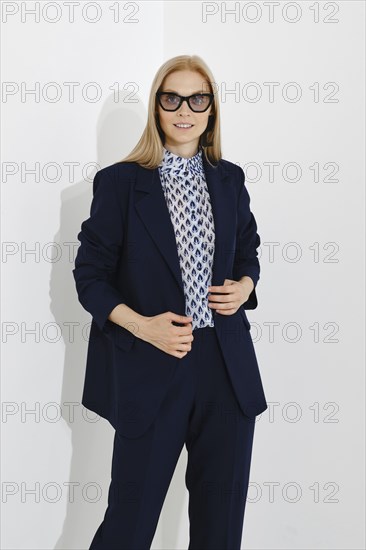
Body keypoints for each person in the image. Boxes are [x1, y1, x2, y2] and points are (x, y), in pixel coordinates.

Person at [73, 54, 268, 550]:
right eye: (172, 98)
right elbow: (90, 277)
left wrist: (245, 286)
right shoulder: (120, 183)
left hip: (225, 366)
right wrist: (142, 326)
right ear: (157, 107)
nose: (185, 110)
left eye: (197, 98)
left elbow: (248, 249)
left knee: (220, 530)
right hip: (153, 364)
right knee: (129, 527)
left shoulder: (230, 179)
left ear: (211, 110)